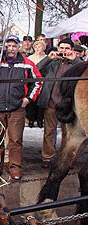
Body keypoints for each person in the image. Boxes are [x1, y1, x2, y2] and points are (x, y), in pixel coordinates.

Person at [0, 35, 42, 180]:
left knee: (15, 140)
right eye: (8, 46)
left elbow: (38, 82)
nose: (11, 49)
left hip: (17, 109)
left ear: (18, 47)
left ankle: (15, 168)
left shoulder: (27, 63)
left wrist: (28, 99)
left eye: (14, 46)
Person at [36, 38, 84, 168]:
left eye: (67, 48)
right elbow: (36, 70)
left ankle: (66, 159)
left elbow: (84, 72)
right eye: (61, 48)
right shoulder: (52, 62)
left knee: (68, 134)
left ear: (72, 50)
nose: (64, 51)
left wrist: (75, 59)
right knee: (49, 132)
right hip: (51, 102)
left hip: (68, 105)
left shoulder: (76, 64)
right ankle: (47, 158)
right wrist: (48, 58)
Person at [26, 40, 49, 128]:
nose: (37, 48)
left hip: (43, 81)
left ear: (44, 48)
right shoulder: (30, 58)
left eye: (39, 46)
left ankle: (40, 120)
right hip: (32, 82)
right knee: (32, 101)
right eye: (36, 46)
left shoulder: (47, 58)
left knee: (41, 101)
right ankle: (31, 119)